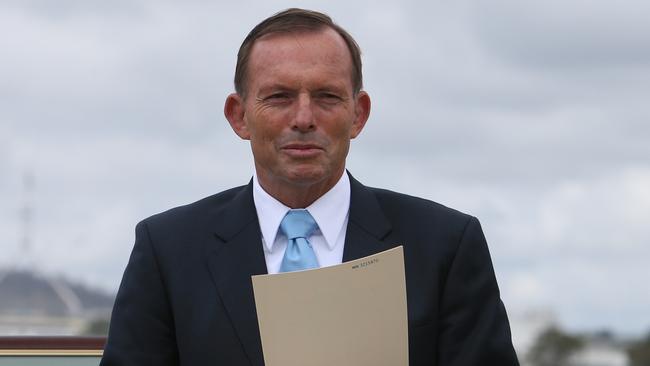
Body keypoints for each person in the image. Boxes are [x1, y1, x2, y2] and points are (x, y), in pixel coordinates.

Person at [101, 8, 519, 366]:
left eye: (326, 96)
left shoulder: (444, 245)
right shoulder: (168, 250)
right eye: (280, 96)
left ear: (359, 114)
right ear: (239, 115)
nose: (303, 117)